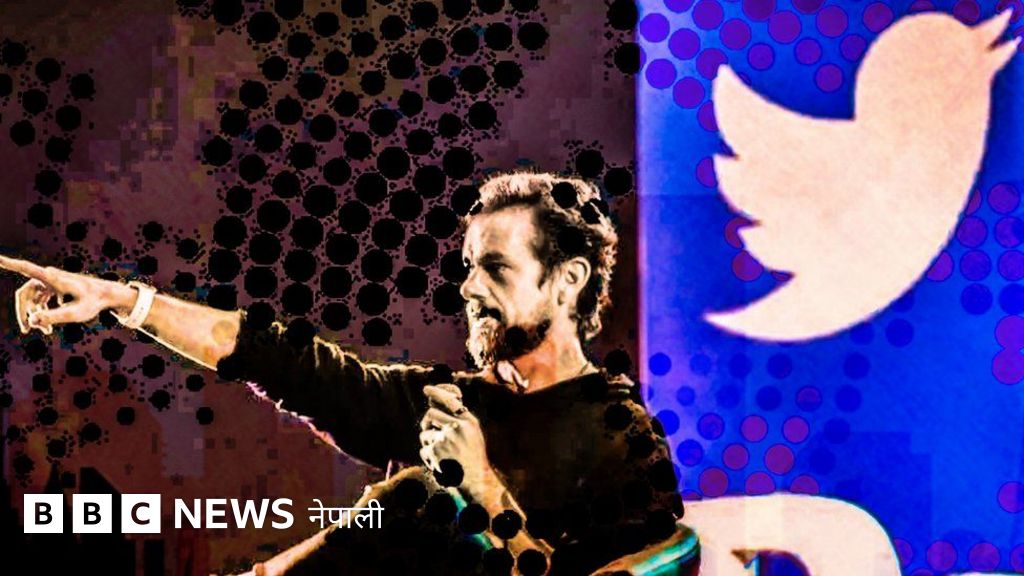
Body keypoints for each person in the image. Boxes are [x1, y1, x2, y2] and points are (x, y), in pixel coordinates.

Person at [1, 172, 687, 575]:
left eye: (496, 268)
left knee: (420, 498)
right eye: (467, 267)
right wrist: (124, 301)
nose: (468, 289)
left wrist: (478, 487)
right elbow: (285, 361)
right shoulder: (444, 402)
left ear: (568, 280)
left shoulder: (622, 438)